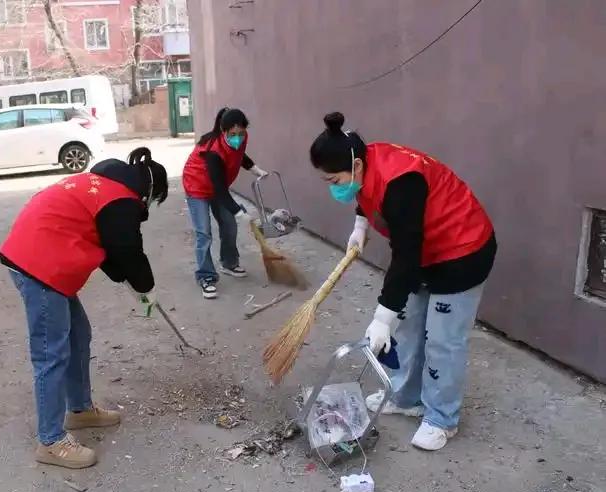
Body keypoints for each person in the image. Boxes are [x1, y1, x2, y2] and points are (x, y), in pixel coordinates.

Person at [310, 112, 496, 451]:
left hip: (462, 251)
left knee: (443, 340)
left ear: (356, 167)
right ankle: (406, 397)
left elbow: (406, 256)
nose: (335, 188)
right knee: (409, 326)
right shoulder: (365, 157)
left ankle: (441, 418)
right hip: (427, 251)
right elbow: (368, 198)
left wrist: (382, 316)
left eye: (335, 181)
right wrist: (360, 226)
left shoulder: (402, 182)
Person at [0, 147, 168, 468]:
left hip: (44, 254)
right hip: (38, 263)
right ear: (148, 192)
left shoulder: (103, 185)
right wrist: (145, 288)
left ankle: (79, 409)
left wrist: (132, 285)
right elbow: (127, 250)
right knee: (51, 353)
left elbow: (108, 249)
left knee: (79, 334)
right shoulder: (121, 202)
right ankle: (50, 442)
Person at [182, 107, 268, 299]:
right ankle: (206, 276)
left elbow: (239, 154)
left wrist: (255, 169)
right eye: (233, 134)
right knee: (204, 232)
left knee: (229, 225)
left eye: (241, 133)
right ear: (224, 131)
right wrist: (239, 212)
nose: (237, 137)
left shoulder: (240, 139)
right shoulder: (213, 151)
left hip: (216, 185)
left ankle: (229, 263)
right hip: (197, 186)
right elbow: (220, 190)